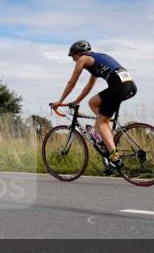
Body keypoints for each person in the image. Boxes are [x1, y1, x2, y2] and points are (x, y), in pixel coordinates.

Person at [50, 40, 137, 173]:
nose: (73, 60)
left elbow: (71, 82)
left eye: (72, 56)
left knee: (100, 123)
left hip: (118, 87)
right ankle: (106, 134)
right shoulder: (96, 59)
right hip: (129, 85)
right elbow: (89, 85)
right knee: (93, 103)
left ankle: (114, 158)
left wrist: (60, 100)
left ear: (78, 53)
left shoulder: (83, 59)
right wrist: (77, 101)